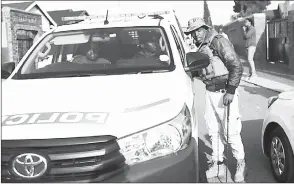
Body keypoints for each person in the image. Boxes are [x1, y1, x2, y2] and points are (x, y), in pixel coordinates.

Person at [184, 17, 247, 182]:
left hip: (224, 91)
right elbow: (206, 68)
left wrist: (231, 91)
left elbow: (236, 66)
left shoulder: (218, 41)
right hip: (210, 91)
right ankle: (217, 163)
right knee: (213, 130)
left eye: (198, 30)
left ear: (205, 28)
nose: (195, 35)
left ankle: (240, 163)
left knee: (230, 131)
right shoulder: (202, 45)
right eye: (192, 32)